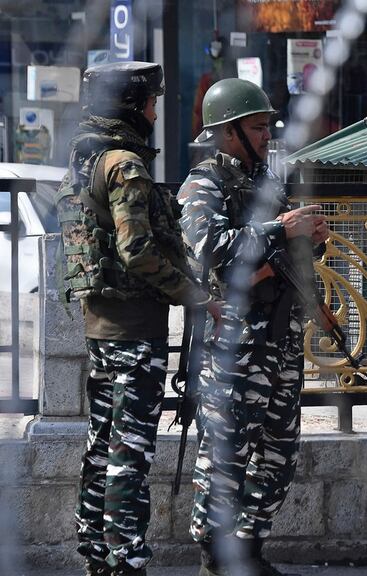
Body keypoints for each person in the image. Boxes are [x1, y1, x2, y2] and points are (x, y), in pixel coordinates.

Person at [57, 61, 222, 576]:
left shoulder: (86, 156)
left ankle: (97, 556)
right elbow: (138, 253)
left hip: (101, 328)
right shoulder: (125, 164)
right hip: (134, 335)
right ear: (130, 103)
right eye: (151, 100)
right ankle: (126, 562)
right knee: (129, 455)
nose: (155, 109)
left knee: (101, 446)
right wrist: (195, 295)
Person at [177, 78, 329, 576]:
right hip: (234, 347)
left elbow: (290, 255)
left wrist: (313, 239)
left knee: (279, 456)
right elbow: (211, 251)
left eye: (268, 126)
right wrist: (279, 228)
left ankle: (248, 549)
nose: (268, 135)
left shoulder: (268, 181)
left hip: (280, 340)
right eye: (258, 126)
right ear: (227, 132)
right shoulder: (203, 186)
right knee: (225, 459)